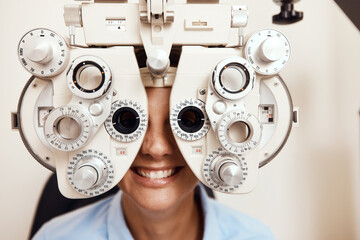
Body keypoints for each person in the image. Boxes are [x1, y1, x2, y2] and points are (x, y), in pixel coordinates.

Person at [33, 87, 275, 240]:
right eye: (127, 122)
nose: (156, 148)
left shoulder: (255, 236)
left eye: (187, 122)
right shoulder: (54, 237)